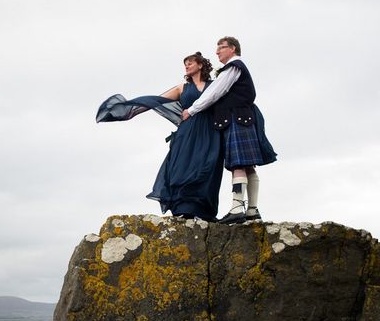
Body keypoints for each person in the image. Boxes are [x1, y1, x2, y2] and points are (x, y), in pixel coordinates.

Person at [96, 52, 224, 221]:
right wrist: (131, 111)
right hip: (187, 132)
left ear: (200, 65)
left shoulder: (214, 85)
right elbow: (156, 100)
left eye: (190, 63)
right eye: (185, 64)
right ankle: (183, 208)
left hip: (210, 132)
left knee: (207, 168)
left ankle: (204, 211)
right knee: (183, 167)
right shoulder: (182, 88)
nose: (187, 66)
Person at [182, 37, 277, 224]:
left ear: (232, 49)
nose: (217, 52)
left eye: (221, 48)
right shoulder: (235, 68)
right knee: (248, 165)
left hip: (236, 118)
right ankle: (252, 210)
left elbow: (215, 91)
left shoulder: (234, 67)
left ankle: (236, 208)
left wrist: (191, 110)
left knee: (238, 164)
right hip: (242, 117)